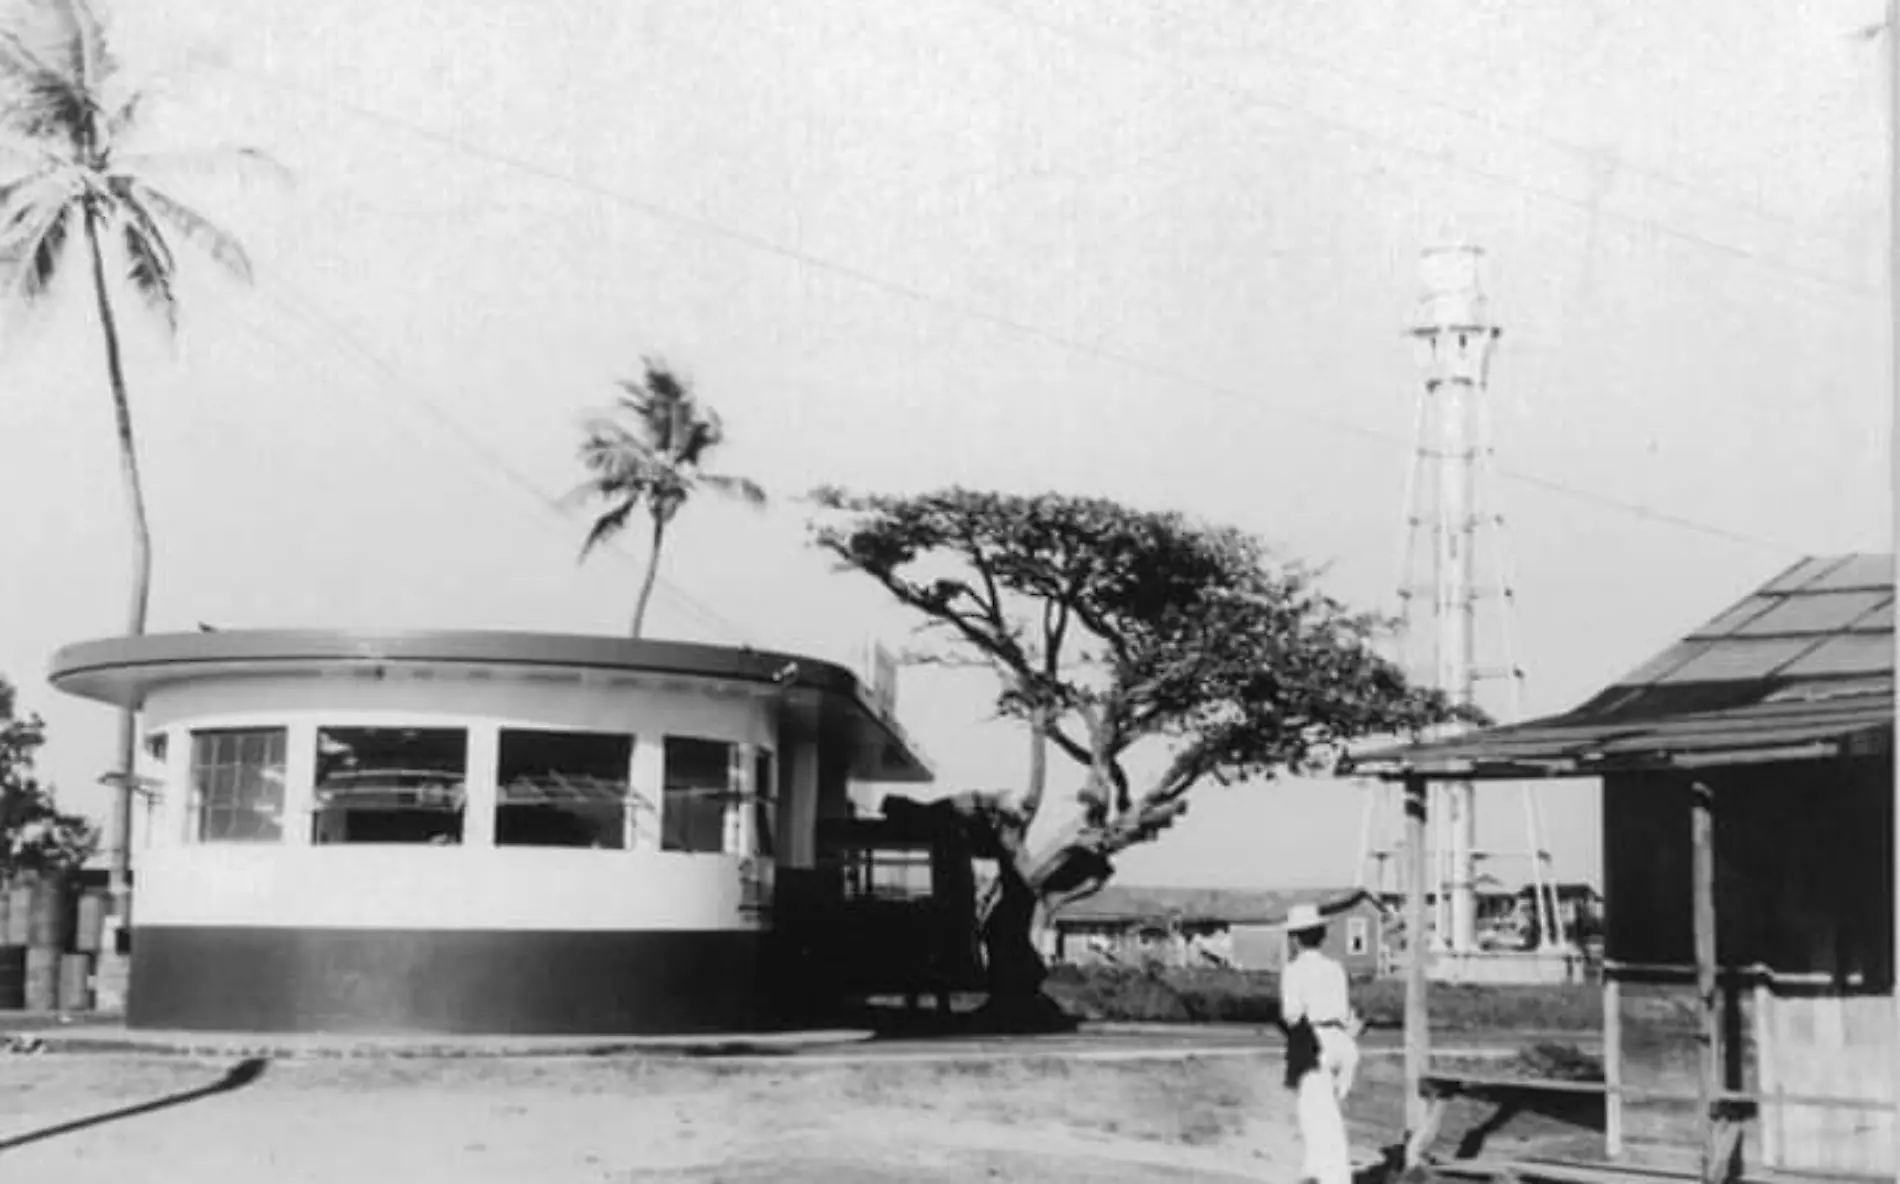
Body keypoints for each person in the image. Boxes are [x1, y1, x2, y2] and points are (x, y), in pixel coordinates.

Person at [1279, 903, 1363, 1184]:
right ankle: (1314, 1175)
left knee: (1319, 1121)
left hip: (1316, 1044)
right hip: (1343, 1042)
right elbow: (1344, 1009)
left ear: (1295, 938)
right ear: (1321, 935)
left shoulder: (1294, 971)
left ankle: (1334, 1179)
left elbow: (1292, 1015)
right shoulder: (1335, 968)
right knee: (1326, 1112)